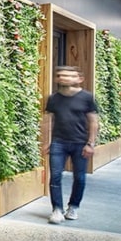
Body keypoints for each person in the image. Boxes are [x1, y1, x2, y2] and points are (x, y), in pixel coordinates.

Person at [43, 65, 99, 225]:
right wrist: (47, 141)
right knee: (55, 176)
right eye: (61, 75)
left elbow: (93, 121)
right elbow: (48, 120)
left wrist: (91, 143)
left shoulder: (87, 97)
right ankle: (57, 209)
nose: (64, 78)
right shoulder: (53, 99)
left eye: (69, 75)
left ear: (79, 79)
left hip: (80, 143)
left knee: (79, 177)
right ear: (57, 79)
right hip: (58, 143)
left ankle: (73, 206)